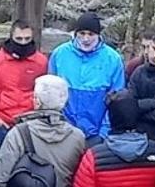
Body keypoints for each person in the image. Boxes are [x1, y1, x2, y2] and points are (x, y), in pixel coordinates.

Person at [48, 11, 125, 145]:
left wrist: (103, 133)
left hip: (96, 135)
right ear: (75, 33)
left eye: (91, 34)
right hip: (63, 132)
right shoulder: (59, 54)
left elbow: (117, 100)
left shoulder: (113, 59)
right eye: (82, 34)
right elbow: (50, 94)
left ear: (99, 35)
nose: (86, 39)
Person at [0, 19, 48, 153]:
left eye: (27, 39)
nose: (23, 43)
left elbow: (44, 92)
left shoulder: (41, 62)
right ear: (11, 37)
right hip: (3, 123)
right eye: (19, 38)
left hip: (30, 124)